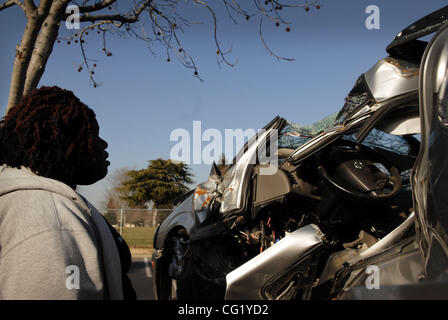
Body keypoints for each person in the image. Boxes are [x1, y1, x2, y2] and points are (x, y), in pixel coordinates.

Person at [0, 86, 136, 299]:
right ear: (63, 141)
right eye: (94, 134)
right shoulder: (50, 218)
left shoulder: (56, 201)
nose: (104, 144)